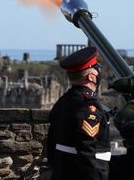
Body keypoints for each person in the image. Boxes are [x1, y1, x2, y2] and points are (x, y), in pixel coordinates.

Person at [47, 47, 111, 180]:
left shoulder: (63, 101)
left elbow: (51, 143)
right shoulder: (88, 106)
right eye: (96, 69)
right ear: (91, 76)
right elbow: (86, 150)